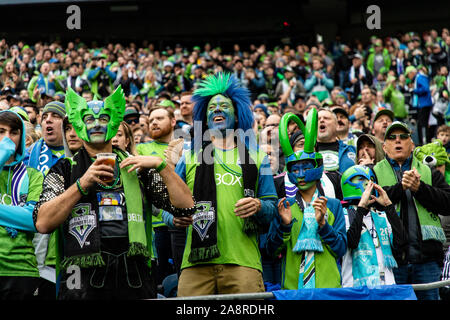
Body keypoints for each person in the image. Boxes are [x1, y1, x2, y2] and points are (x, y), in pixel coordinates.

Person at [33, 85, 195, 300]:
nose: (98, 124)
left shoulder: (137, 167)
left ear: (115, 122)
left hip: (133, 274)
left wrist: (162, 166)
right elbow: (43, 223)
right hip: (80, 280)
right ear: (79, 124)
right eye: (89, 119)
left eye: (104, 118)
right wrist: (81, 185)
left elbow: (186, 207)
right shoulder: (65, 168)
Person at [175, 73, 278, 297]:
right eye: (212, 107)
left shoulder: (258, 158)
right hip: (195, 265)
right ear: (204, 116)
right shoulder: (189, 157)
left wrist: (258, 205)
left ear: (238, 116)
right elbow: (165, 202)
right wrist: (172, 217)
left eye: (224, 106)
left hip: (243, 264)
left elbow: (272, 205)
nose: (217, 110)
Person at [266, 109, 347, 289]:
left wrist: (324, 225)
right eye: (295, 169)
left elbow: (341, 249)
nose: (301, 174)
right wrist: (284, 226)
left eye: (306, 167)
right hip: (294, 290)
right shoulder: (285, 207)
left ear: (318, 167)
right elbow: (272, 250)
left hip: (328, 290)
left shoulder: (333, 206)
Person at [373, 121, 450, 300]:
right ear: (384, 147)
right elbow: (371, 202)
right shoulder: (373, 172)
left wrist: (419, 188)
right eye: (392, 138)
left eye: (403, 137)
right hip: (390, 261)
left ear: (412, 144)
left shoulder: (429, 172)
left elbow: (447, 203)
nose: (397, 140)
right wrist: (401, 188)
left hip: (427, 262)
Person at [24, 100, 67, 299]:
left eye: (55, 116)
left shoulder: (78, 153)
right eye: (44, 117)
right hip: (38, 230)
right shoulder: (32, 153)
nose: (48, 120)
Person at [0, 110, 44, 299]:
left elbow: (33, 219)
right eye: (1, 131)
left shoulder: (34, 175)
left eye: (13, 133)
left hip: (22, 269)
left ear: (22, 136)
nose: (7, 138)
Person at [340, 165, 407, 287]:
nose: (367, 184)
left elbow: (401, 243)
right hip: (356, 287)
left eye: (370, 180)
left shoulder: (381, 216)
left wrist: (389, 205)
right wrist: (361, 209)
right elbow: (352, 242)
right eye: (361, 180)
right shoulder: (343, 214)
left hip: (386, 285)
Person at [136, 105, 178, 286]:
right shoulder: (142, 149)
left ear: (173, 121)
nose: (153, 122)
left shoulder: (187, 147)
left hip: (185, 223)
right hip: (157, 227)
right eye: (151, 120)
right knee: (160, 282)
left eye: (159, 118)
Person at [316, 107, 356, 173]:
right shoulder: (306, 152)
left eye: (326, 118)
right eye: (318, 119)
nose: (321, 120)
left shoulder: (351, 150)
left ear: (336, 125)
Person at [405, 66, 433, 145]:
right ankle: (423, 141)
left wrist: (415, 90)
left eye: (408, 75)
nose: (409, 77)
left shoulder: (419, 77)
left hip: (424, 103)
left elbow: (426, 88)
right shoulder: (419, 77)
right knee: (422, 123)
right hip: (423, 103)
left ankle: (423, 142)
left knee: (422, 124)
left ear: (411, 73)